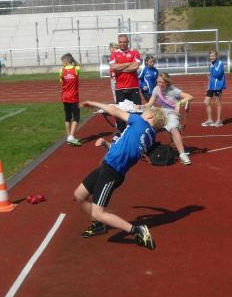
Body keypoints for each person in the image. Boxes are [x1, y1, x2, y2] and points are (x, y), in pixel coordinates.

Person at [74, 101, 167, 250]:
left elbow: (113, 110)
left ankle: (136, 230)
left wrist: (92, 102)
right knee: (79, 195)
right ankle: (98, 225)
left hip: (112, 172)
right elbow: (122, 148)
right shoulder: (149, 136)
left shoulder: (139, 122)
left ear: (150, 116)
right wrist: (106, 145)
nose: (141, 113)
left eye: (145, 112)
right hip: (108, 167)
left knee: (98, 213)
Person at [145, 72, 194, 165]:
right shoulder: (156, 89)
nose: (160, 84)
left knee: (173, 128)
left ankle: (182, 154)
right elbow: (149, 104)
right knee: (147, 126)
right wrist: (139, 107)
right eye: (159, 82)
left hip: (172, 114)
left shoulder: (173, 90)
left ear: (167, 82)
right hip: (162, 113)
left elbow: (190, 97)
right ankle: (147, 149)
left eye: (163, 82)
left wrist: (179, 103)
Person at [108, 33, 142, 131]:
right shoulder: (114, 54)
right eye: (120, 42)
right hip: (120, 88)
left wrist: (120, 68)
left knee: (136, 111)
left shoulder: (134, 52)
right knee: (120, 112)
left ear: (128, 42)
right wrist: (128, 64)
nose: (122, 44)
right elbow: (114, 67)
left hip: (133, 87)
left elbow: (135, 66)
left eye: (124, 42)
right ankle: (121, 133)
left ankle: (136, 131)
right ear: (118, 42)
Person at [59, 53, 82, 146]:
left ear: (65, 62)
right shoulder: (76, 69)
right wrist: (73, 60)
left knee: (67, 118)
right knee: (76, 117)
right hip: (74, 97)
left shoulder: (61, 71)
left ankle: (68, 137)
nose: (62, 64)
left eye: (62, 62)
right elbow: (79, 65)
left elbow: (61, 81)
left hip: (65, 97)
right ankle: (71, 136)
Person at [202, 49, 226, 127]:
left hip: (218, 86)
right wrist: (209, 83)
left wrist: (212, 68)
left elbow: (217, 74)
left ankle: (219, 121)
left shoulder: (220, 63)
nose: (211, 57)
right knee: (206, 101)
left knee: (218, 102)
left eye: (212, 56)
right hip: (212, 86)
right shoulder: (211, 64)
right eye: (210, 56)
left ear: (216, 56)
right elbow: (212, 76)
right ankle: (210, 120)